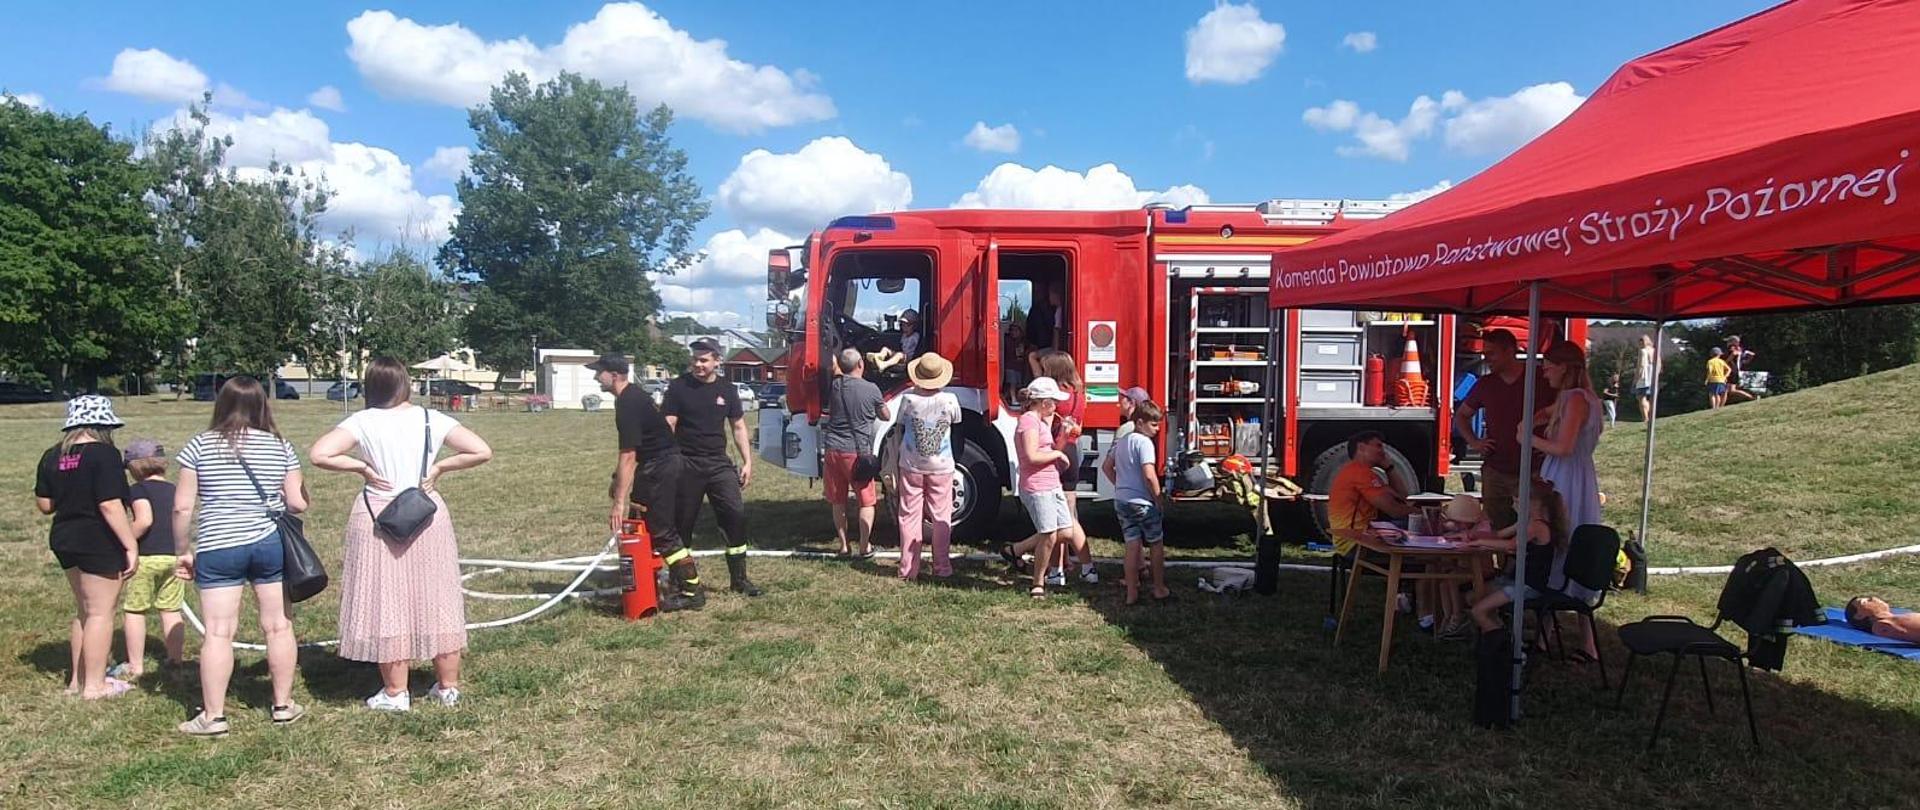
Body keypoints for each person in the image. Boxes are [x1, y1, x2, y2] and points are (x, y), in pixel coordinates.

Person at [311, 358, 494, 712]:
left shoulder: (362, 421)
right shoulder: (431, 418)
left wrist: (361, 467)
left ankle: (396, 692)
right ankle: (448, 686)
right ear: (405, 383)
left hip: (379, 514)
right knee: (439, 596)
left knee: (387, 599)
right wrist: (439, 466)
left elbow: (320, 453)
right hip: (428, 512)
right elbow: (481, 450)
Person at [172, 377, 308, 735]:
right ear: (263, 405)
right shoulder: (280, 446)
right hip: (269, 542)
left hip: (219, 544)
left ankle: (213, 716)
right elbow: (297, 503)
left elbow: (182, 506)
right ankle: (283, 704)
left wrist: (183, 550)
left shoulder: (199, 445)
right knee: (278, 625)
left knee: (218, 631)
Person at [34, 395, 138, 700]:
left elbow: (45, 505)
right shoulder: (105, 455)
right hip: (97, 539)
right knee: (101, 613)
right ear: (103, 424)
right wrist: (130, 544)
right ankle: (95, 686)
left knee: (84, 611)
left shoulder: (52, 455)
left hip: (65, 537)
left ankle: (76, 682)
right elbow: (109, 505)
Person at [589, 353, 704, 611]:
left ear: (615, 375)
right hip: (657, 466)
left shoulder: (628, 402)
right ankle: (644, 585)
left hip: (660, 469)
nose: (597, 377)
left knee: (662, 532)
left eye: (600, 372)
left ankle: (691, 591)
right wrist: (616, 479)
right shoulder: (633, 397)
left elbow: (628, 455)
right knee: (640, 526)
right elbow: (638, 448)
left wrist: (618, 503)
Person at [666, 339, 761, 597]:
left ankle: (739, 580)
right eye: (695, 359)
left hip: (719, 463)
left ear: (717, 361)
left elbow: (738, 427)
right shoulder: (678, 387)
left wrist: (748, 462)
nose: (698, 364)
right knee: (682, 524)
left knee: (735, 516)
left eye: (704, 359)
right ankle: (680, 582)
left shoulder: (727, 390)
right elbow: (669, 425)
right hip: (686, 463)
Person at [1453, 329, 1556, 531]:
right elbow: (1462, 415)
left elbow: (1562, 412)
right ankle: (1502, 562)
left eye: (1491, 353)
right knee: (1495, 526)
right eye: (1484, 354)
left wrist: (1551, 446)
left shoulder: (1540, 379)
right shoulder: (1486, 383)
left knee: (1533, 526)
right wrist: (1475, 442)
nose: (1486, 359)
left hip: (1534, 470)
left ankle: (1525, 563)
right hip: (1496, 469)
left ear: (1510, 351)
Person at [1466, 483, 1572, 648]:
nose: (1513, 505)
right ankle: (1502, 635)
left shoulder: (1536, 526)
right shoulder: (1527, 522)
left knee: (1478, 611)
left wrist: (1480, 542)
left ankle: (1508, 650)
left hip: (1528, 585)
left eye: (1516, 502)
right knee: (1474, 596)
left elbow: (1510, 545)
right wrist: (1471, 536)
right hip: (1516, 580)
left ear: (1532, 503)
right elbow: (1499, 535)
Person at [117, 439, 187, 681]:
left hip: (146, 557)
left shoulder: (138, 490)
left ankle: (135, 665)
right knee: (170, 609)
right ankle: (175, 659)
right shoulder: (175, 489)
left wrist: (125, 539)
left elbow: (144, 520)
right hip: (174, 557)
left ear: (134, 468)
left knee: (135, 610)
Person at [1002, 377, 1074, 598]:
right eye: (1053, 401)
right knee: (1049, 534)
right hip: (1037, 485)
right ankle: (1038, 582)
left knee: (1066, 531)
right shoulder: (1029, 422)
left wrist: (1063, 437)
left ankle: (1015, 550)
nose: (1056, 405)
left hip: (1050, 482)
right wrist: (1058, 453)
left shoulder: (1040, 421)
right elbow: (1033, 455)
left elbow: (1045, 451)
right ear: (1043, 402)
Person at [895, 353, 960, 580]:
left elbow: (900, 425)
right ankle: (942, 566)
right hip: (942, 465)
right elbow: (957, 426)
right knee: (941, 516)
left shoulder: (908, 400)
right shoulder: (950, 399)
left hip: (912, 463)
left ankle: (908, 568)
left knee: (909, 515)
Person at [1526, 341, 1605, 529]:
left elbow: (1564, 448)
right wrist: (1530, 422)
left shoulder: (1576, 399)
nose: (1545, 375)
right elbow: (1546, 413)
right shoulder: (1584, 397)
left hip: (1566, 473)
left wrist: (1529, 439)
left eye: (1548, 369)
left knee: (1562, 525)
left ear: (1562, 368)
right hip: (1577, 471)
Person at [1036, 350, 1097, 586]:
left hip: (1056, 450)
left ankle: (1056, 569)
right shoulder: (1079, 394)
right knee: (1070, 514)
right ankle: (1083, 565)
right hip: (1073, 448)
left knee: (1054, 517)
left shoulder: (1055, 397)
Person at [823, 348, 890, 558]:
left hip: (833, 450)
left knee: (838, 500)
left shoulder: (835, 385)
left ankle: (843, 546)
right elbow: (886, 415)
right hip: (857, 453)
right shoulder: (871, 389)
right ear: (861, 364)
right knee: (866, 501)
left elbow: (833, 363)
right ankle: (864, 546)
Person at [1103, 399, 1171, 605]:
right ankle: (1159, 588)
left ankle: (1131, 592)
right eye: (1153, 424)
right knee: (1156, 543)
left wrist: (1120, 485)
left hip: (1122, 500)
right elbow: (1149, 475)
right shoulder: (1144, 443)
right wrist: (1158, 498)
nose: (1157, 429)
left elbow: (1106, 467)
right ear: (1140, 422)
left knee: (1132, 545)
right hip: (1142, 501)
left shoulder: (1122, 441)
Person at [1844, 596, 1920, 643]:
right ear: (1860, 616)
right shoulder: (1881, 626)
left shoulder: (1895, 618)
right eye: (1865, 602)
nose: (1872, 598)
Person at [1725, 335, 1758, 403]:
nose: (1727, 343)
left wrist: (1726, 362)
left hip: (1732, 371)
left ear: (1733, 342)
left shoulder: (1732, 348)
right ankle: (1752, 396)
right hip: (1737, 370)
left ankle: (1752, 398)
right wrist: (1746, 361)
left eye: (1729, 341)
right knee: (1731, 390)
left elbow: (1734, 354)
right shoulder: (1741, 349)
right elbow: (1752, 354)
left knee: (1731, 391)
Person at [1635, 334, 1658, 421]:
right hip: (1652, 375)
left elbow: (1641, 365)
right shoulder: (1654, 350)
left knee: (1641, 397)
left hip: (1644, 376)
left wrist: (1637, 377)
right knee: (1646, 397)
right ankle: (1649, 415)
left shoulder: (1642, 351)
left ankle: (1645, 417)